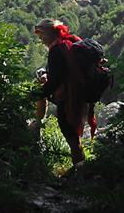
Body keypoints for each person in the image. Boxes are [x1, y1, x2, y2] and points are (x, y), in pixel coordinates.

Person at [33, 18, 88, 165]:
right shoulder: (71, 42)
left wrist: (34, 95)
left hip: (68, 97)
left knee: (71, 137)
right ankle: (80, 170)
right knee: (74, 136)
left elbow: (57, 81)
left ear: (48, 34)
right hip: (81, 93)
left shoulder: (57, 49)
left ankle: (79, 172)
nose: (41, 41)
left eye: (41, 37)